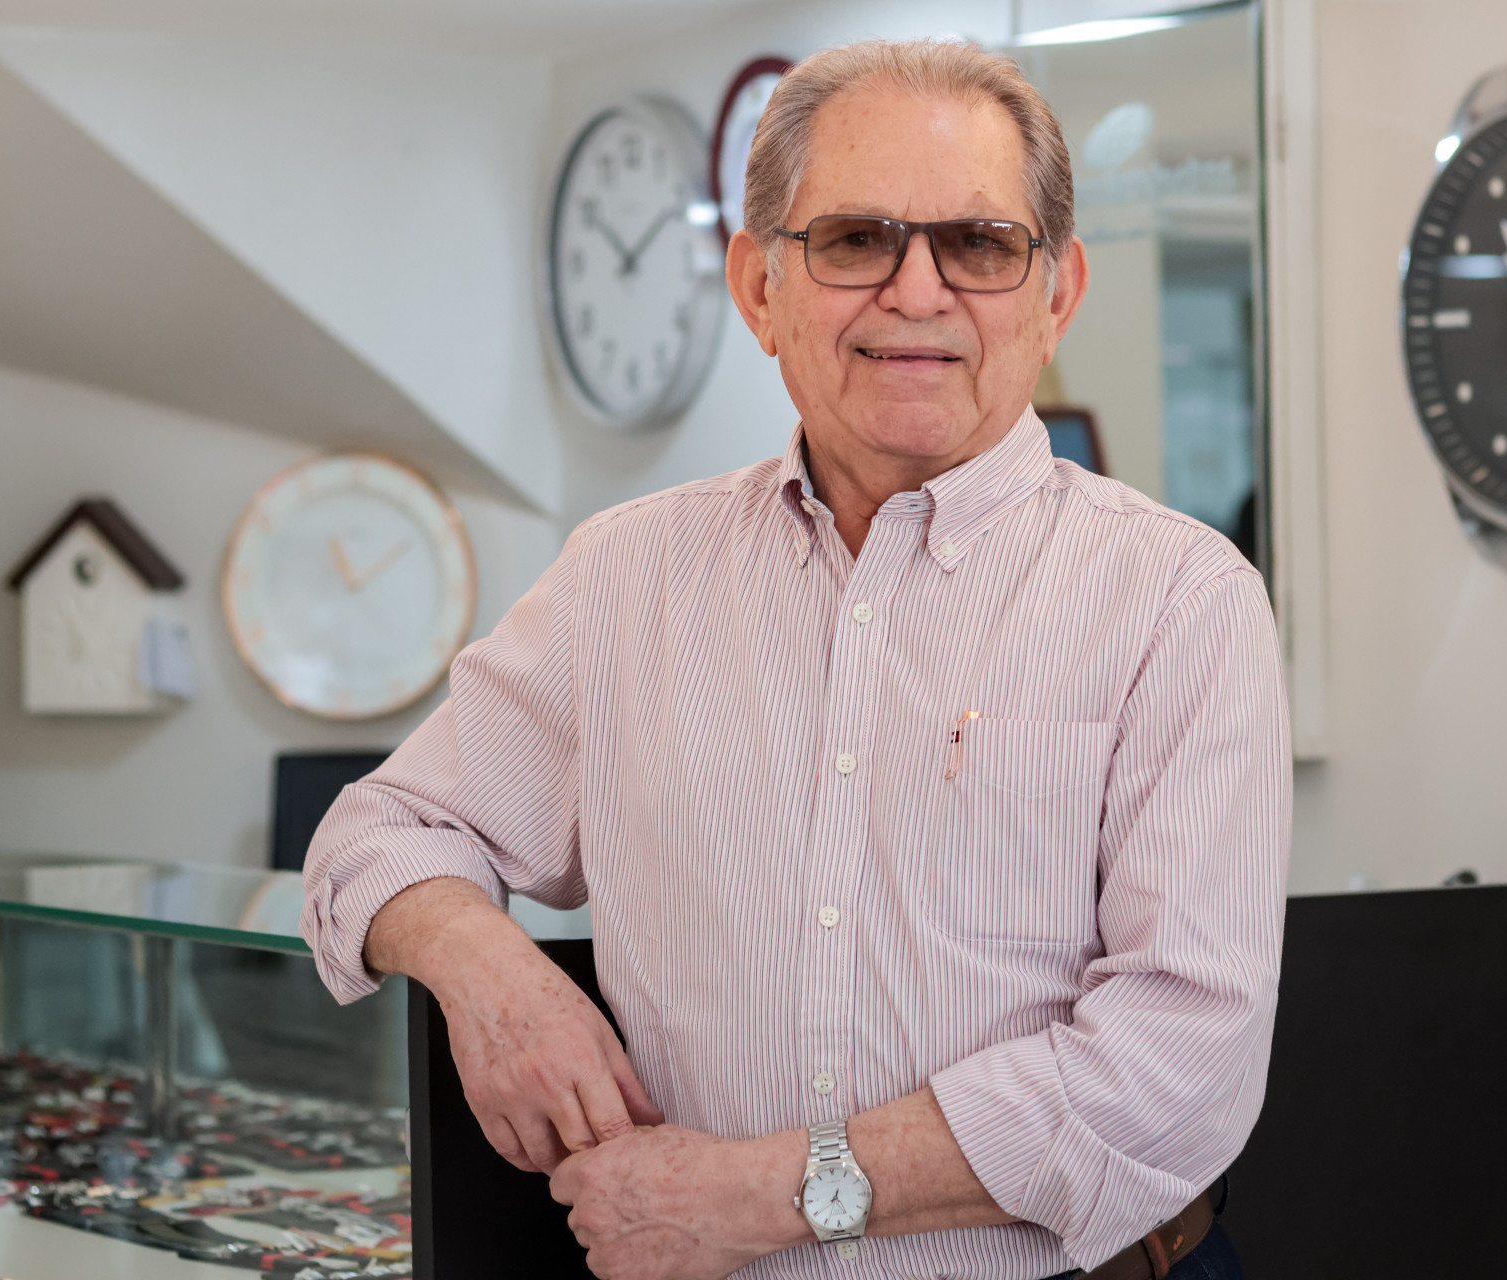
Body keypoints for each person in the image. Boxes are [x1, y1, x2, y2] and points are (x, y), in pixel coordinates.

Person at [302, 38, 1289, 1280]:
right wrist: (489, 971)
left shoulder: (1182, 602)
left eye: (978, 246)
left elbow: (1177, 1065)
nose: (918, 292)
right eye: (856, 239)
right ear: (760, 287)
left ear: (1058, 294)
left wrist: (770, 1193)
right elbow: (375, 832)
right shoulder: (625, 577)